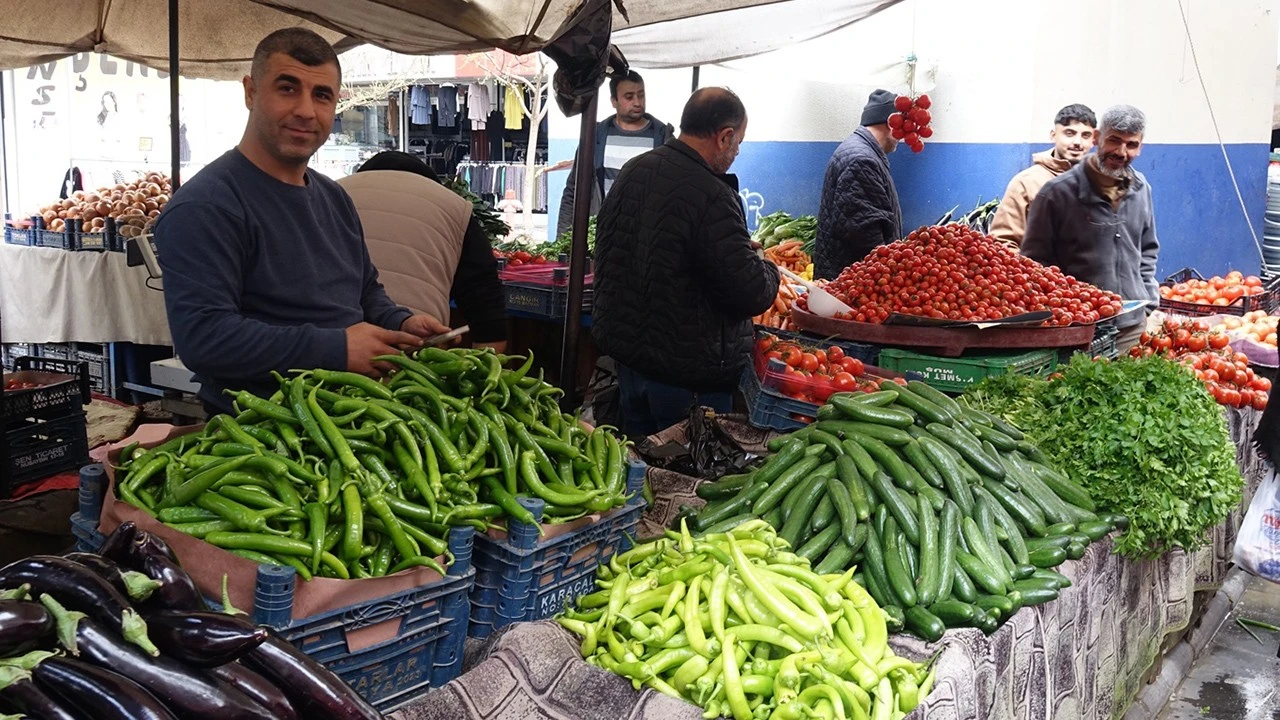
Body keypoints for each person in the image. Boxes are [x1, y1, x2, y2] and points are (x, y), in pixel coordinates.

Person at [155, 28, 450, 416]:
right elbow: (203, 339)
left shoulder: (334, 197)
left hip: (354, 418)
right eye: (287, 88)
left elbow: (364, 293)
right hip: (261, 438)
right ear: (250, 92)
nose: (306, 111)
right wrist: (336, 349)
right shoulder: (206, 206)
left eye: (322, 95)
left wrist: (401, 321)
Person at [592, 87, 781, 438]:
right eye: (738, 142)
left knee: (637, 471)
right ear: (724, 136)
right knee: (686, 482)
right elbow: (751, 293)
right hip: (687, 381)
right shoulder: (711, 195)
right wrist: (762, 261)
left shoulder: (634, 170)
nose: (737, 152)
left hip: (631, 369)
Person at [338, 151, 508, 352]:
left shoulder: (330, 193)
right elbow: (485, 301)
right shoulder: (451, 205)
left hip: (339, 342)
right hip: (417, 341)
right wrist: (488, 373)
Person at [1022, 105, 1158, 351]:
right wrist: (1063, 314)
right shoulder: (1057, 194)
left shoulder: (1142, 189)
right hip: (1078, 331)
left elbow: (1147, 249)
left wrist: (1147, 299)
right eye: (1114, 141)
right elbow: (1033, 266)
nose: (1121, 152)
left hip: (1131, 327)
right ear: (1097, 138)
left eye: (1131, 144)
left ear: (1140, 147)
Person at [555, 70, 674, 237]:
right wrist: (563, 239)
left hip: (646, 238)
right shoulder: (595, 137)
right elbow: (573, 191)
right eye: (629, 96)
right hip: (603, 236)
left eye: (641, 95)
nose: (637, 102)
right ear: (614, 101)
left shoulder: (663, 138)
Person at [814, 89, 904, 280]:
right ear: (891, 122)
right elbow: (864, 232)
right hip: (853, 286)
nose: (903, 137)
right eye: (902, 125)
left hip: (851, 278)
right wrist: (890, 276)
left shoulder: (862, 153)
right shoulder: (861, 160)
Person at [990, 104, 1097, 247]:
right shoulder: (1025, 183)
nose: (1077, 142)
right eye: (1069, 133)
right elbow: (1003, 242)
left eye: (1085, 135)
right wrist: (1036, 269)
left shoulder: (1101, 184)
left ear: (1093, 141)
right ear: (1053, 135)